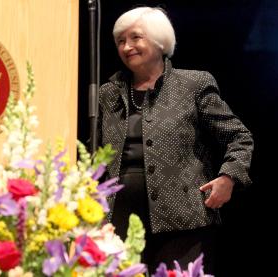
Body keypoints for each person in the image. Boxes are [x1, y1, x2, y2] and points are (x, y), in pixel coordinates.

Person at [98, 6, 254, 275]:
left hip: (183, 224)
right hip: (117, 222)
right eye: (120, 41)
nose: (126, 47)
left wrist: (229, 177)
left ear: (160, 41)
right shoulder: (107, 93)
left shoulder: (192, 84)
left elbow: (239, 137)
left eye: (135, 38)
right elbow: (93, 152)